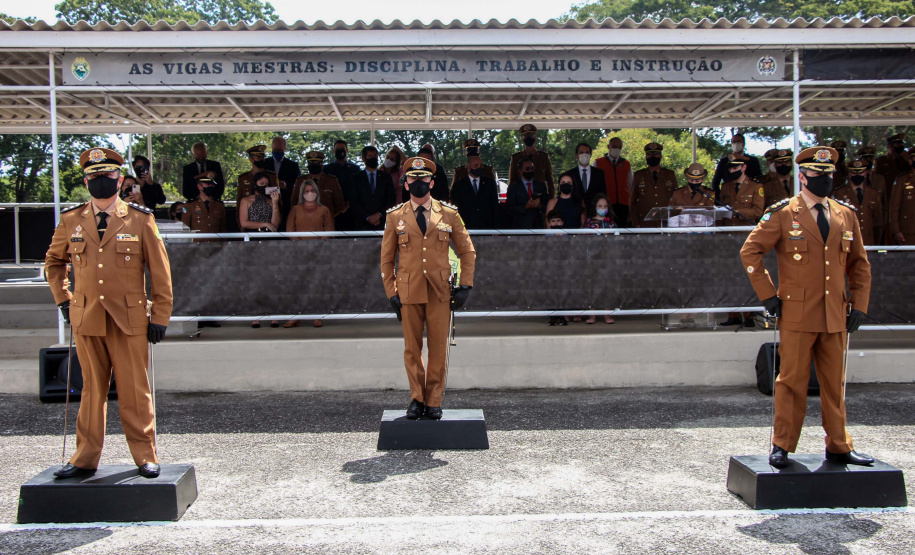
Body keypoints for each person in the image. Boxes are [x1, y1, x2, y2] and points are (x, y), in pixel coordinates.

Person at [740, 146, 873, 469]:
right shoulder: (784, 212)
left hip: (835, 313)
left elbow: (860, 265)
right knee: (791, 381)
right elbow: (750, 252)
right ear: (802, 176)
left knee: (834, 383)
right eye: (816, 174)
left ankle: (839, 444)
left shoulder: (845, 214)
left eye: (828, 175)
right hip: (797, 313)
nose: (824, 180)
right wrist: (769, 296)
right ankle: (782, 445)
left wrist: (860, 304)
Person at [45, 147, 172, 479]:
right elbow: (54, 263)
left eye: (108, 175)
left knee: (135, 390)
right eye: (94, 176)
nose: (101, 181)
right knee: (91, 391)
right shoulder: (71, 220)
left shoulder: (141, 219)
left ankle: (145, 455)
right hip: (86, 317)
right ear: (87, 181)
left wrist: (159, 316)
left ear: (119, 178)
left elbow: (160, 273)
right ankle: (84, 458)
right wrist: (63, 299)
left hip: (129, 319)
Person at [380, 156, 476, 420]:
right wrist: (391, 292)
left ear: (432, 182)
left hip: (440, 291)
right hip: (408, 292)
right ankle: (416, 399)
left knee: (437, 348)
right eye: (413, 179)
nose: (419, 183)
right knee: (412, 349)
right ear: (406, 183)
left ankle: (434, 400)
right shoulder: (395, 217)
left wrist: (465, 285)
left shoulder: (448, 213)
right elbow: (387, 260)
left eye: (424, 179)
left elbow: (467, 252)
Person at [719, 155, 766, 328]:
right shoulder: (726, 187)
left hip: (747, 237)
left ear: (744, 167)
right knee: (730, 275)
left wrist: (736, 211)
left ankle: (749, 314)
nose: (732, 171)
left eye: (735, 168)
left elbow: (758, 211)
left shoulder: (756, 187)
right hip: (729, 238)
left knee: (748, 276)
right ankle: (733, 313)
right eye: (730, 168)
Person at [285, 179, 334, 329]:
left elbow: (329, 230)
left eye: (312, 190)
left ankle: (317, 316)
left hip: (318, 253)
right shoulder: (295, 209)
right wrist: (300, 245)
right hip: (298, 253)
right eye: (306, 191)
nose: (309, 193)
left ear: (317, 192)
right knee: (297, 285)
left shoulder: (324, 209)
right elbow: (289, 230)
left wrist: (318, 246)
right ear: (302, 194)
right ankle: (295, 316)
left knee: (316, 284)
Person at [239, 172, 281, 328]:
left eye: (266, 184)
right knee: (254, 279)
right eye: (261, 184)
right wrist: (263, 224)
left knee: (271, 278)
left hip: (270, 241)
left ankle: (273, 315)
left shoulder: (271, 202)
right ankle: (255, 315)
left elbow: (275, 224)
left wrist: (275, 203)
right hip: (253, 241)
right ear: (255, 184)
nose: (264, 187)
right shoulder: (246, 200)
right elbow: (244, 223)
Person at [832, 159, 884, 245]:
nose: (857, 175)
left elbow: (878, 221)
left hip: (867, 239)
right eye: (854, 173)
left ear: (865, 174)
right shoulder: (839, 193)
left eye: (860, 172)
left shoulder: (873, 193)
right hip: (848, 239)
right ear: (849, 174)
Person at [630, 142, 677, 228]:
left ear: (661, 156)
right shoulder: (639, 175)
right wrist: (636, 223)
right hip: (645, 222)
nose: (653, 157)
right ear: (646, 157)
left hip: (665, 222)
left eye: (656, 154)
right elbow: (632, 202)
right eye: (650, 155)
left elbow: (676, 198)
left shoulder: (669, 174)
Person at [352, 146, 397, 231]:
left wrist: (379, 214)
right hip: (361, 224)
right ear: (363, 159)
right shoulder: (356, 178)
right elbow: (354, 201)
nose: (373, 158)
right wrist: (368, 217)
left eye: (375, 156)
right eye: (370, 156)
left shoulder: (386, 177)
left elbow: (391, 199)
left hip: (381, 223)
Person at [292, 151, 347, 220]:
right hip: (305, 221)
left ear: (322, 165)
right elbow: (294, 203)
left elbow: (339, 205)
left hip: (327, 222)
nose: (313, 166)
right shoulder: (300, 181)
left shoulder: (331, 180)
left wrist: (329, 217)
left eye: (316, 163)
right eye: (311, 163)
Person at [449, 155, 499, 229]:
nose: (479, 167)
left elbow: (495, 206)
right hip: (467, 226)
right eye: (476, 165)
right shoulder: (459, 185)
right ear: (468, 167)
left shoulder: (490, 183)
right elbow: (455, 208)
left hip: (487, 226)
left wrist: (496, 227)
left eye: (481, 165)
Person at [323, 139, 361, 231]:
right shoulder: (326, 169)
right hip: (333, 212)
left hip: (351, 211)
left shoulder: (355, 169)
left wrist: (348, 203)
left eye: (342, 149)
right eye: (337, 149)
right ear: (333, 151)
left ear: (347, 151)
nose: (340, 151)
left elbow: (358, 189)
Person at [594, 136, 633, 227]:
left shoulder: (626, 164)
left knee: (623, 231)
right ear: (608, 147)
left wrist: (631, 206)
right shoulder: (598, 162)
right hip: (606, 205)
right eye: (614, 146)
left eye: (620, 147)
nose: (617, 149)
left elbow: (631, 185)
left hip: (624, 205)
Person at [509, 124, 555, 197]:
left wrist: (551, 198)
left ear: (536, 139)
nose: (528, 138)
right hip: (521, 198)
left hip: (541, 197)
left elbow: (550, 180)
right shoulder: (516, 158)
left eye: (531, 136)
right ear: (523, 140)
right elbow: (512, 181)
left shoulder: (543, 157)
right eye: (526, 137)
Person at [507, 158, 550, 229]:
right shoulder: (513, 187)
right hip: (521, 226)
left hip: (538, 226)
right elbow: (510, 208)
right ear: (520, 171)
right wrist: (526, 207)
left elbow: (547, 205)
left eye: (532, 168)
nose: (530, 171)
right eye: (527, 169)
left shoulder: (541, 186)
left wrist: (539, 206)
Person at [180, 173, 227, 238]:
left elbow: (223, 229)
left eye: (212, 184)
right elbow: (185, 227)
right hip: (197, 245)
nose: (210, 186)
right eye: (207, 184)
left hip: (215, 245)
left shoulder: (219, 205)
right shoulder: (190, 205)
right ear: (199, 186)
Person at [563, 142, 606, 210]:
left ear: (590, 155)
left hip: (595, 212)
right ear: (576, 155)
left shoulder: (599, 173)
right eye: (581, 152)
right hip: (575, 212)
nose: (584, 155)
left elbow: (603, 194)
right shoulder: (569, 174)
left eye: (587, 152)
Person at [269, 136, 301, 225]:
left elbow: (299, 185)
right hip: (269, 203)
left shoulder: (293, 165)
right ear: (271, 147)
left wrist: (286, 185)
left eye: (280, 150)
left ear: (285, 149)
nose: (277, 152)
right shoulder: (265, 163)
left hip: (287, 203)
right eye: (275, 150)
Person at [874, 133, 912, 202]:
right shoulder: (881, 161)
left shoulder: (905, 160)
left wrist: (908, 160)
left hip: (904, 195)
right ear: (890, 146)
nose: (900, 146)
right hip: (888, 195)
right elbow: (877, 181)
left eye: (901, 144)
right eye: (897, 144)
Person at [888, 164, 915, 244]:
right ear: (910, 160)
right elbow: (894, 207)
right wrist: (896, 230)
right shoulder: (902, 180)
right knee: (909, 255)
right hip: (909, 231)